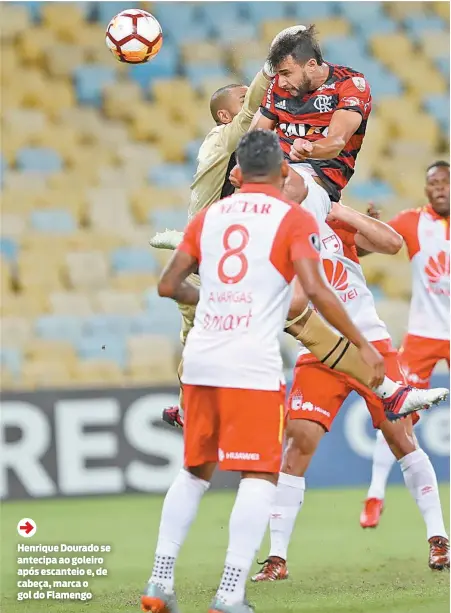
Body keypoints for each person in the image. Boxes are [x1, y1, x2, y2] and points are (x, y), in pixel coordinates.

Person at [140, 130, 403, 613]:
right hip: (250, 364)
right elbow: (318, 292)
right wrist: (362, 344)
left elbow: (168, 285)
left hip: (201, 359)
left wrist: (214, 299)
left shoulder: (209, 216)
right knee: (259, 476)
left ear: (237, 172)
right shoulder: (292, 217)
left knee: (194, 473)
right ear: (283, 171)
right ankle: (230, 594)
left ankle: (159, 583)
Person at [251, 200, 450, 584]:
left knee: (400, 436)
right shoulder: (280, 232)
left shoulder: (332, 218)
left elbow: (391, 243)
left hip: (369, 343)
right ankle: (277, 558)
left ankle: (439, 537)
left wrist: (343, 210)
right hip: (318, 350)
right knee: (298, 442)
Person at [361, 161, 450, 538]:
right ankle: (375, 493)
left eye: (445, 181)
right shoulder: (413, 222)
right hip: (424, 334)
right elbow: (365, 249)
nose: (440, 188)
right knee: (397, 410)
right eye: (433, 183)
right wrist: (369, 227)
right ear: (426, 189)